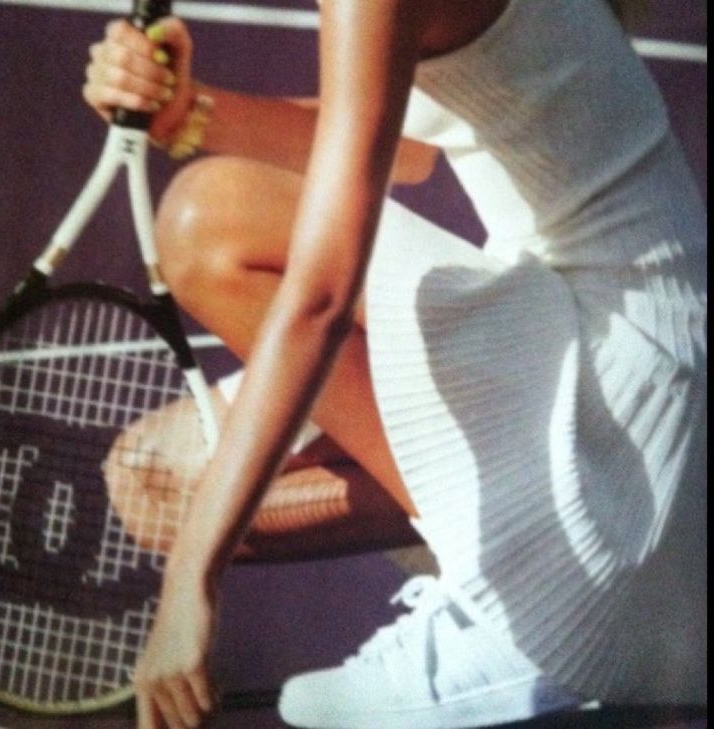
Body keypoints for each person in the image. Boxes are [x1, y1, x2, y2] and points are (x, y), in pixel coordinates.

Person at [83, 0, 707, 727]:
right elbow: (407, 146)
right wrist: (188, 112)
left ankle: (536, 611)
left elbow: (322, 294)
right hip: (588, 345)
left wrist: (193, 578)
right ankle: (539, 569)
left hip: (635, 387)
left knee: (209, 217)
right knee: (155, 481)